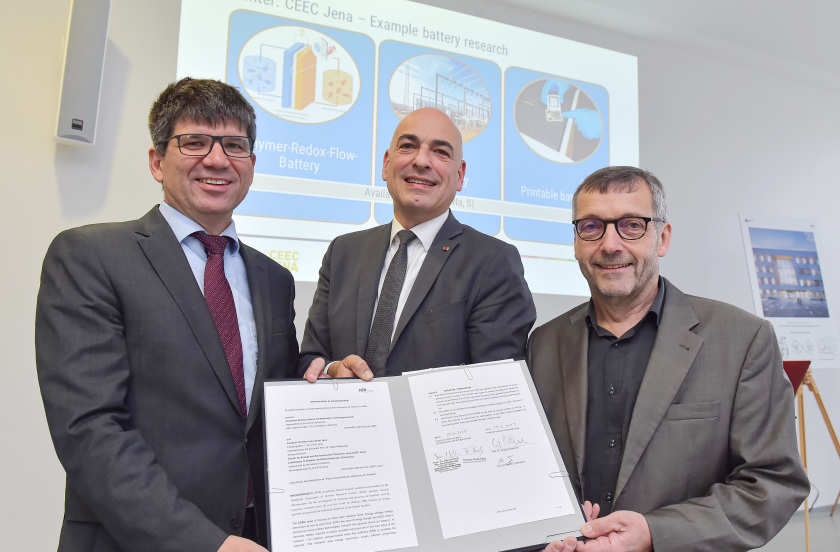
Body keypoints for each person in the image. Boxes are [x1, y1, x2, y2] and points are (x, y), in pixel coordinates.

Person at [36, 78, 299, 552]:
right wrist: (204, 543)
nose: (217, 160)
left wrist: (330, 381)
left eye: (234, 146)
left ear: (252, 166)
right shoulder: (90, 256)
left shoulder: (274, 280)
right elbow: (91, 430)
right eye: (194, 142)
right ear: (157, 161)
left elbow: (266, 409)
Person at [528, 166, 808, 552]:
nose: (610, 244)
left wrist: (653, 533)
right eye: (592, 226)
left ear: (663, 238)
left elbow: (772, 485)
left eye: (631, 225)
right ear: (576, 241)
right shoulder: (544, 343)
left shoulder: (742, 339)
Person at [300, 107, 535, 381]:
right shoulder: (343, 253)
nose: (422, 161)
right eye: (408, 146)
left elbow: (495, 387)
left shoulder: (493, 261)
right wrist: (330, 369)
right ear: (386, 165)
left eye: (441, 152)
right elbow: (311, 358)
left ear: (460, 176)